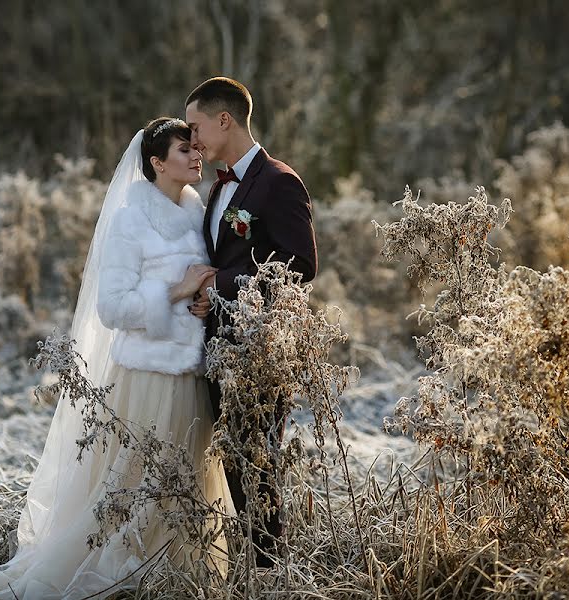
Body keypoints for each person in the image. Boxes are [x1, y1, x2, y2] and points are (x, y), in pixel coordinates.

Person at [0, 118, 229, 600]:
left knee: (186, 478)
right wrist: (178, 290)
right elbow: (112, 306)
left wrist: (199, 301)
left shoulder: (196, 210)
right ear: (156, 163)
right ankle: (122, 572)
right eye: (183, 150)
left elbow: (199, 282)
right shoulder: (131, 219)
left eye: (196, 148)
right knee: (136, 482)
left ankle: (174, 579)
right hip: (148, 375)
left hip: (190, 371)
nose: (197, 156)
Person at [185, 77, 317, 567]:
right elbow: (224, 254)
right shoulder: (217, 188)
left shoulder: (279, 182)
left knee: (256, 468)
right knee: (234, 468)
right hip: (218, 347)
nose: (191, 137)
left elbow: (300, 264)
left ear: (225, 120)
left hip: (259, 350)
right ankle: (246, 570)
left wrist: (219, 285)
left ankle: (270, 573)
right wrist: (206, 299)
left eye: (196, 126)